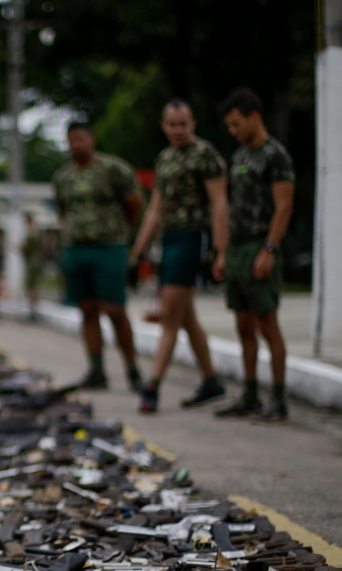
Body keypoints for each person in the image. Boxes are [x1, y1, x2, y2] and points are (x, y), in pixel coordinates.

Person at [129, 99, 228, 413]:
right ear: (163, 126)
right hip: (168, 239)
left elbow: (219, 202)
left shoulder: (205, 154)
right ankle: (211, 381)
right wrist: (137, 253)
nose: (178, 130)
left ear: (193, 123)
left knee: (170, 315)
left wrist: (220, 249)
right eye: (172, 124)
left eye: (183, 124)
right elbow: (155, 209)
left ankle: (152, 386)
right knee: (186, 317)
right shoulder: (165, 158)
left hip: (192, 237)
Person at [214, 88, 295, 421]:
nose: (232, 131)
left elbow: (284, 206)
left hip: (261, 244)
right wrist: (223, 252)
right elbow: (231, 206)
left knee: (267, 324)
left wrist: (269, 249)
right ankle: (249, 395)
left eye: (236, 124)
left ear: (254, 117)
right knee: (243, 324)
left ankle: (278, 398)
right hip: (237, 247)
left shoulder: (275, 155)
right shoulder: (239, 156)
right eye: (229, 126)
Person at [53, 121, 144, 391]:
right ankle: (96, 371)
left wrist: (121, 233)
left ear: (91, 139)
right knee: (87, 309)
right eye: (71, 140)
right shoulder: (63, 177)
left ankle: (133, 371)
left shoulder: (114, 169)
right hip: (76, 249)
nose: (76, 145)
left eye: (81, 139)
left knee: (115, 310)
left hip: (109, 247)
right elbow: (62, 211)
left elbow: (135, 204)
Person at [20, 212, 45, 321]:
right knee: (34, 286)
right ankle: (34, 309)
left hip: (32, 263)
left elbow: (26, 249)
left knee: (31, 286)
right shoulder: (38, 232)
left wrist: (19, 248)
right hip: (37, 262)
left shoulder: (31, 234)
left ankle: (33, 310)